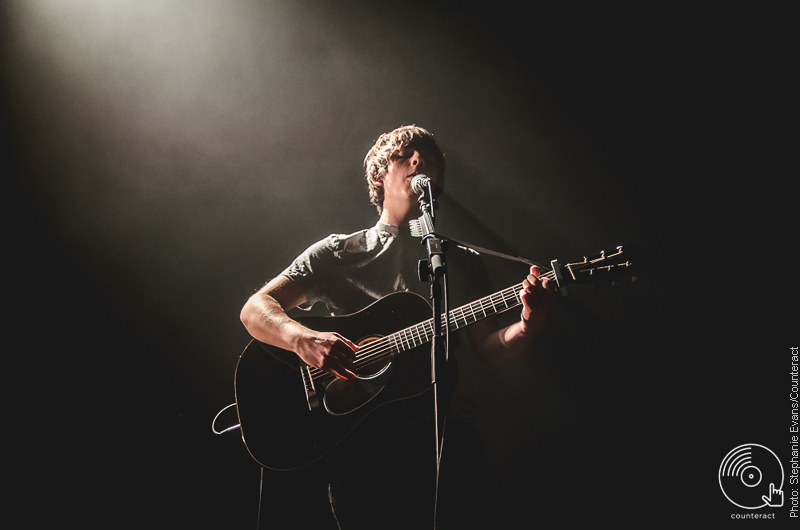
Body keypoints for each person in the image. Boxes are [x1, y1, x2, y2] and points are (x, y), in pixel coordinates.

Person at [240, 125, 558, 529]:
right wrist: (302, 338)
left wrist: (530, 324)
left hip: (442, 439)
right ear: (378, 176)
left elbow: (492, 347)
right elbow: (255, 309)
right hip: (361, 447)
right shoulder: (336, 252)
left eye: (429, 159)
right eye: (405, 155)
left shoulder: (461, 262)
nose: (420, 161)